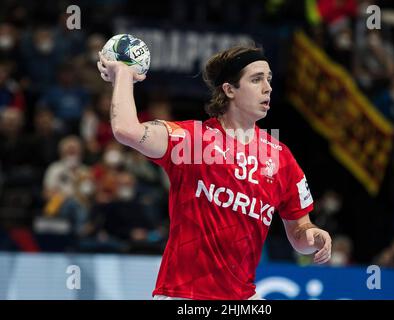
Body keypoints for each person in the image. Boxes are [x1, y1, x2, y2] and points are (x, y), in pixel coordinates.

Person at [97, 44, 332, 300]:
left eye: (269, 79)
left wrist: (315, 236)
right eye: (256, 79)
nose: (268, 87)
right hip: (184, 295)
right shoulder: (192, 141)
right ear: (229, 89)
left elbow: (299, 234)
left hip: (242, 297)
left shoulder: (281, 157)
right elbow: (126, 130)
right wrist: (123, 74)